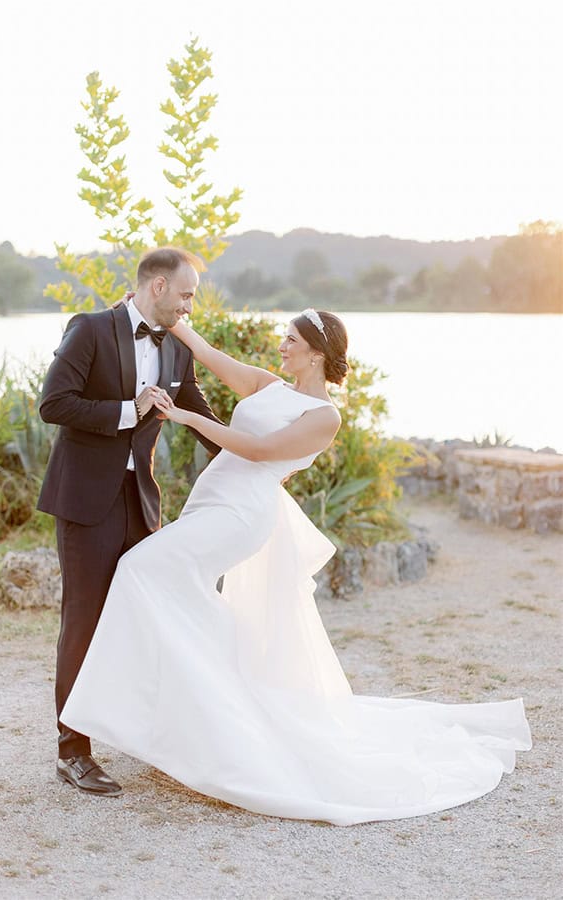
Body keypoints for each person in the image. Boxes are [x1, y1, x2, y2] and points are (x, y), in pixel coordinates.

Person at [60, 308, 531, 825]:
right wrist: (167, 315)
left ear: (316, 353)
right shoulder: (268, 386)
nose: (281, 345)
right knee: (166, 585)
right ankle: (193, 701)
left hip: (241, 513)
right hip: (213, 500)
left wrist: (188, 418)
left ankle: (210, 686)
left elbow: (261, 451)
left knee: (140, 570)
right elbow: (209, 355)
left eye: (290, 339)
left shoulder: (324, 417)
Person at [37, 247, 222, 796]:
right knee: (84, 622)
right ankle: (73, 752)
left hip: (140, 500)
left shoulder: (177, 344)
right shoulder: (91, 328)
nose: (189, 307)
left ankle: (146, 733)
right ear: (157, 286)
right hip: (85, 501)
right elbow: (54, 404)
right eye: (185, 295)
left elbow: (197, 410)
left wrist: (251, 460)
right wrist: (129, 409)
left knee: (147, 616)